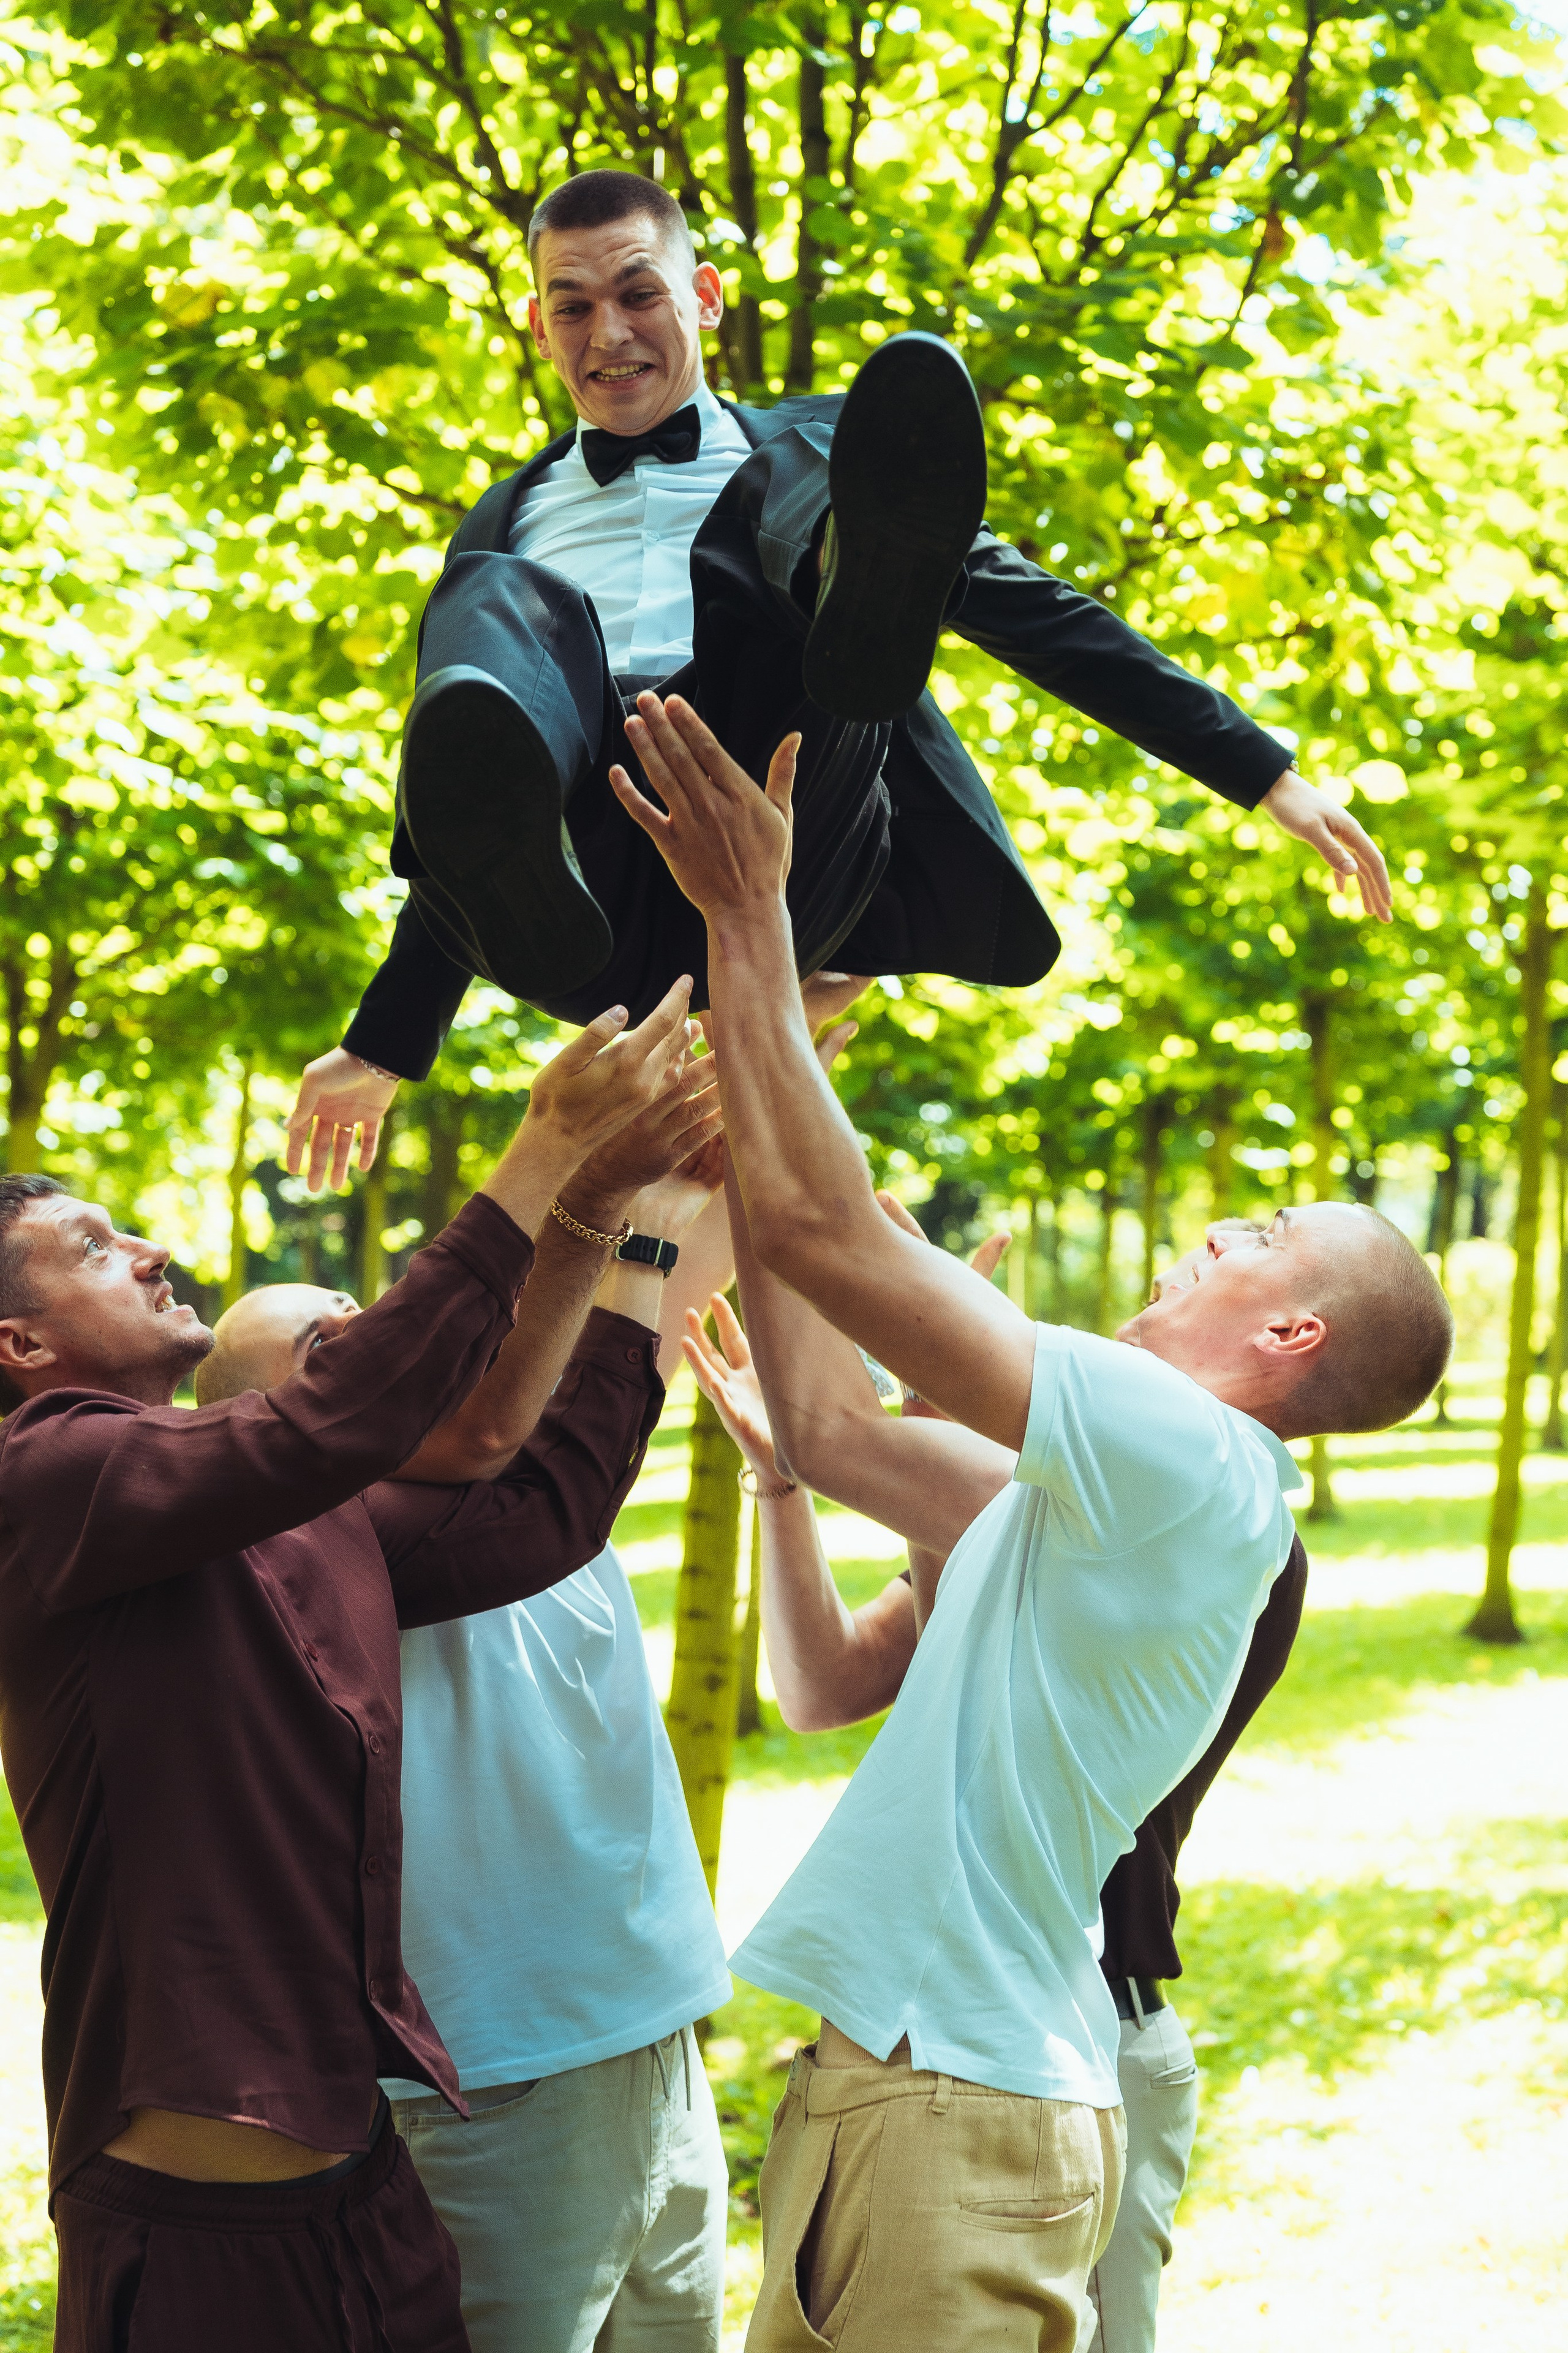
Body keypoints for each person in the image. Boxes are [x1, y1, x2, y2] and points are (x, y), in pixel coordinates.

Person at [605, 693, 1452, 2351]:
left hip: (958, 2105)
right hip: (918, 2083)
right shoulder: (1132, 1497)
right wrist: (755, 1126)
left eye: (1259, 1233)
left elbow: (840, 1240)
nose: (1211, 1229)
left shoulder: (1190, 1453)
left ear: (1296, 1339)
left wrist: (754, 932)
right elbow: (842, 1417)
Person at [285, 165, 1392, 1195]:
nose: (607, 333)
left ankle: (858, 602)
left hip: (785, 817)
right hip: (591, 906)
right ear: (537, 324)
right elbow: (476, 793)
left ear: (707, 297)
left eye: (640, 294)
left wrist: (1266, 775)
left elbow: (1049, 619)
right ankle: (560, 878)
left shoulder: (811, 463)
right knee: (485, 606)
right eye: (571, 306)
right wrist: (386, 1041)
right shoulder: (507, 520)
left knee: (806, 504)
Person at [0, 982, 693, 2353]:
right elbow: (340, 1416)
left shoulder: (267, 1498)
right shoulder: (41, 1477)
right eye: (92, 1245)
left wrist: (612, 1209)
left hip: (368, 2188)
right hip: (198, 2230)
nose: (146, 1247)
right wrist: (543, 1144)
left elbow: (518, 1472)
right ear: (19, 1347)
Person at [680, 1171, 1311, 2353]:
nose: (1210, 1235)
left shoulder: (1197, 1499)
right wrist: (793, 1475)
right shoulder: (1078, 1515)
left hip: (1056, 2039)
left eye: (1263, 1238)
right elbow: (827, 1680)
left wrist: (892, 1369)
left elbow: (846, 1427)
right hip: (978, 2043)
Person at [196, 1051, 758, 2353]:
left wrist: (775, 984)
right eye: (327, 1342)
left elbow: (695, 1226)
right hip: (490, 2091)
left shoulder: (530, 1468)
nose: (386, 1328)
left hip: (658, 2043)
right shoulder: (299, 1544)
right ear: (269, 1425)